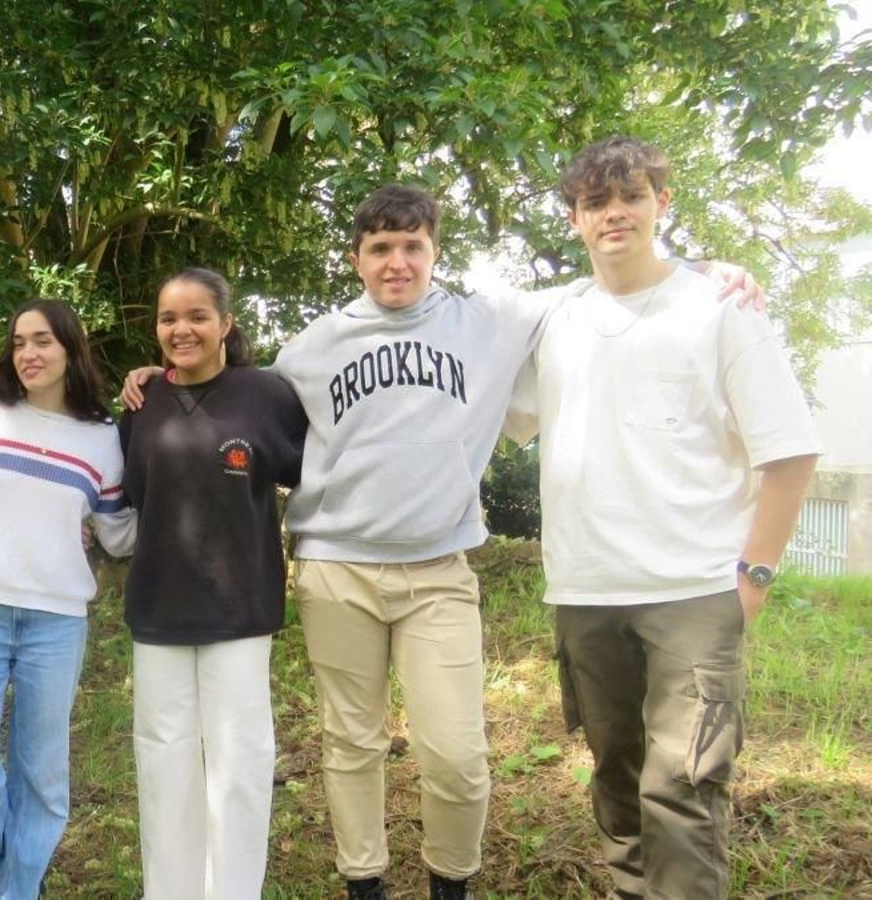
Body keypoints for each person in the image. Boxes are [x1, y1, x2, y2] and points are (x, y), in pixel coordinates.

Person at [121, 188, 764, 900]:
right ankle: (364, 880)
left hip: (439, 570)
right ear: (357, 259)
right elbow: (230, 401)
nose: (397, 262)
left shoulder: (488, 321)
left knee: (457, 755)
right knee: (352, 744)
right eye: (380, 249)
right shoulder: (311, 348)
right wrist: (158, 378)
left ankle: (449, 881)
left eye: (412, 246)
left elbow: (602, 281)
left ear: (433, 250)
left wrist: (701, 268)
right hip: (338, 568)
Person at [503, 136, 820, 899]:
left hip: (694, 590)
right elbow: (449, 347)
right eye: (596, 203)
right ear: (574, 220)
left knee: (682, 789)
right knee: (616, 780)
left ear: (662, 204)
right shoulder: (552, 321)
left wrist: (753, 580)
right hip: (584, 593)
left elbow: (792, 453)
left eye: (632, 197)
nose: (615, 214)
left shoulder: (719, 307)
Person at [0, 299, 137, 900]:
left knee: (41, 779)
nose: (29, 353)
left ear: (71, 350)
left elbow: (119, 536)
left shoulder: (103, 439)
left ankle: (18, 890)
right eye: (19, 341)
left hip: (56, 620)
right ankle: (17, 873)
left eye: (43, 341)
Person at [117, 268, 305, 899]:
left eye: (197, 316)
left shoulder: (267, 396)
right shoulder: (140, 405)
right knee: (164, 761)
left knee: (239, 767)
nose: (182, 329)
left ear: (226, 323)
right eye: (169, 319)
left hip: (241, 608)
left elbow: (312, 474)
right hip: (158, 608)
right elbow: (133, 499)